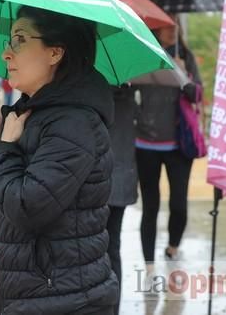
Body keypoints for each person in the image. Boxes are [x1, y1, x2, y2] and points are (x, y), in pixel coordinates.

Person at [0, 6, 119, 314]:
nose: (7, 53)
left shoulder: (73, 124)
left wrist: (5, 149)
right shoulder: (29, 114)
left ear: (55, 53)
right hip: (28, 297)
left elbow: (26, 207)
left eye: (20, 40)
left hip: (66, 300)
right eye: (9, 40)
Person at [134, 21, 202, 278]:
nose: (172, 26)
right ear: (156, 27)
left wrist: (183, 74)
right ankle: (150, 267)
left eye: (176, 21)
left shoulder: (185, 56)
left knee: (179, 206)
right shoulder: (145, 54)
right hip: (144, 144)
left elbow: (197, 96)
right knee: (150, 206)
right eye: (166, 22)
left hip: (178, 145)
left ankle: (173, 247)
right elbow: (127, 89)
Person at [106, 83, 137, 315]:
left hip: (94, 183)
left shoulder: (93, 100)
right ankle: (113, 308)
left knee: (92, 249)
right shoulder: (129, 99)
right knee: (112, 246)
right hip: (121, 182)